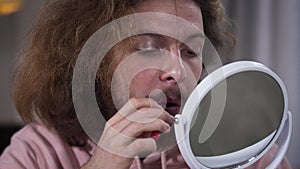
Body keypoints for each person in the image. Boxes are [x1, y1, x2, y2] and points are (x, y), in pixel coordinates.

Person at [0, 0, 291, 168]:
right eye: (150, 47)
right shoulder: (35, 152)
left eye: (190, 52)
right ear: (94, 61)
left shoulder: (243, 152)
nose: (177, 71)